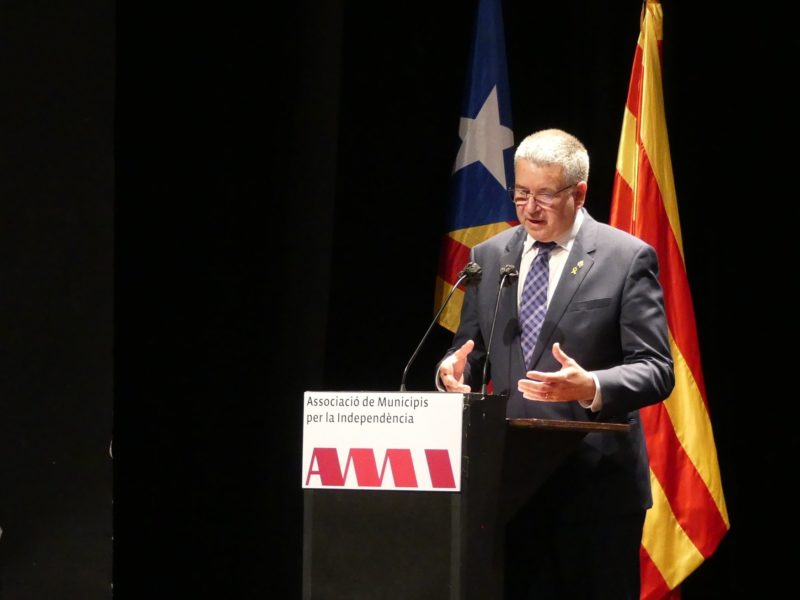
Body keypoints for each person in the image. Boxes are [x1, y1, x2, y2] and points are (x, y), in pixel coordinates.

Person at [437, 128, 674, 599]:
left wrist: (590, 386)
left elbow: (656, 367)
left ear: (579, 192)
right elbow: (471, 351)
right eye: (521, 193)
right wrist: (451, 371)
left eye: (545, 194)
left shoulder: (624, 258)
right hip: (509, 489)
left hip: (594, 491)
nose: (529, 208)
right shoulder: (488, 257)